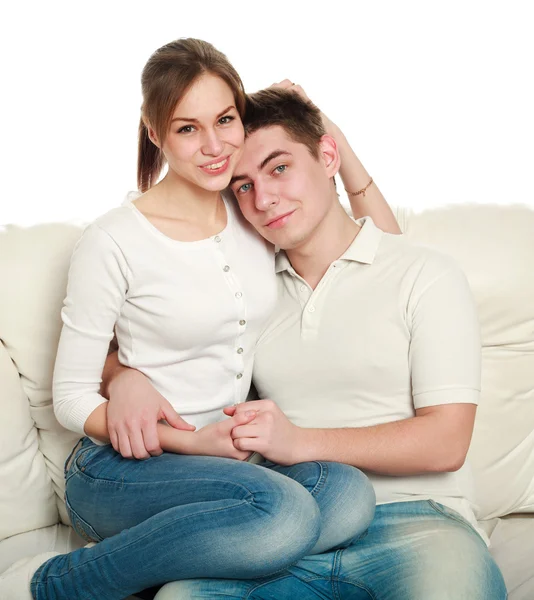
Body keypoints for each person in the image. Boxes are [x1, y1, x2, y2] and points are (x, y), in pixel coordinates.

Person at [0, 39, 395, 600]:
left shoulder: (253, 208)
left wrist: (328, 130)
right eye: (187, 129)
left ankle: (185, 562)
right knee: (283, 513)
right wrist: (185, 436)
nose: (214, 147)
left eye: (225, 120)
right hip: (124, 469)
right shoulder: (113, 240)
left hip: (236, 468)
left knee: (347, 493)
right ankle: (61, 584)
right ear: (155, 132)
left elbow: (387, 254)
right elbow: (69, 399)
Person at [108, 89, 507, 599]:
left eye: (278, 169)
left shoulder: (423, 274)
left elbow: (446, 442)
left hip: (418, 525)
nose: (263, 200)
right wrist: (123, 378)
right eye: (243, 186)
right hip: (295, 528)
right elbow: (136, 340)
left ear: (327, 156)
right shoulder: (244, 292)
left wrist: (299, 442)